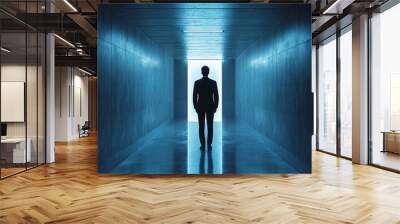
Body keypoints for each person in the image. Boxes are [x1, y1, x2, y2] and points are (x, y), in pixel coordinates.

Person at [193, 65, 219, 150]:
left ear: (201, 72)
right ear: (208, 72)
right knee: (210, 125)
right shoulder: (213, 82)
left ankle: (203, 145)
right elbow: (216, 96)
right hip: (210, 107)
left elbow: (194, 96)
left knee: (201, 126)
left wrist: (195, 107)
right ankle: (209, 144)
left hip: (200, 107)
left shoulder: (197, 83)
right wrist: (215, 107)